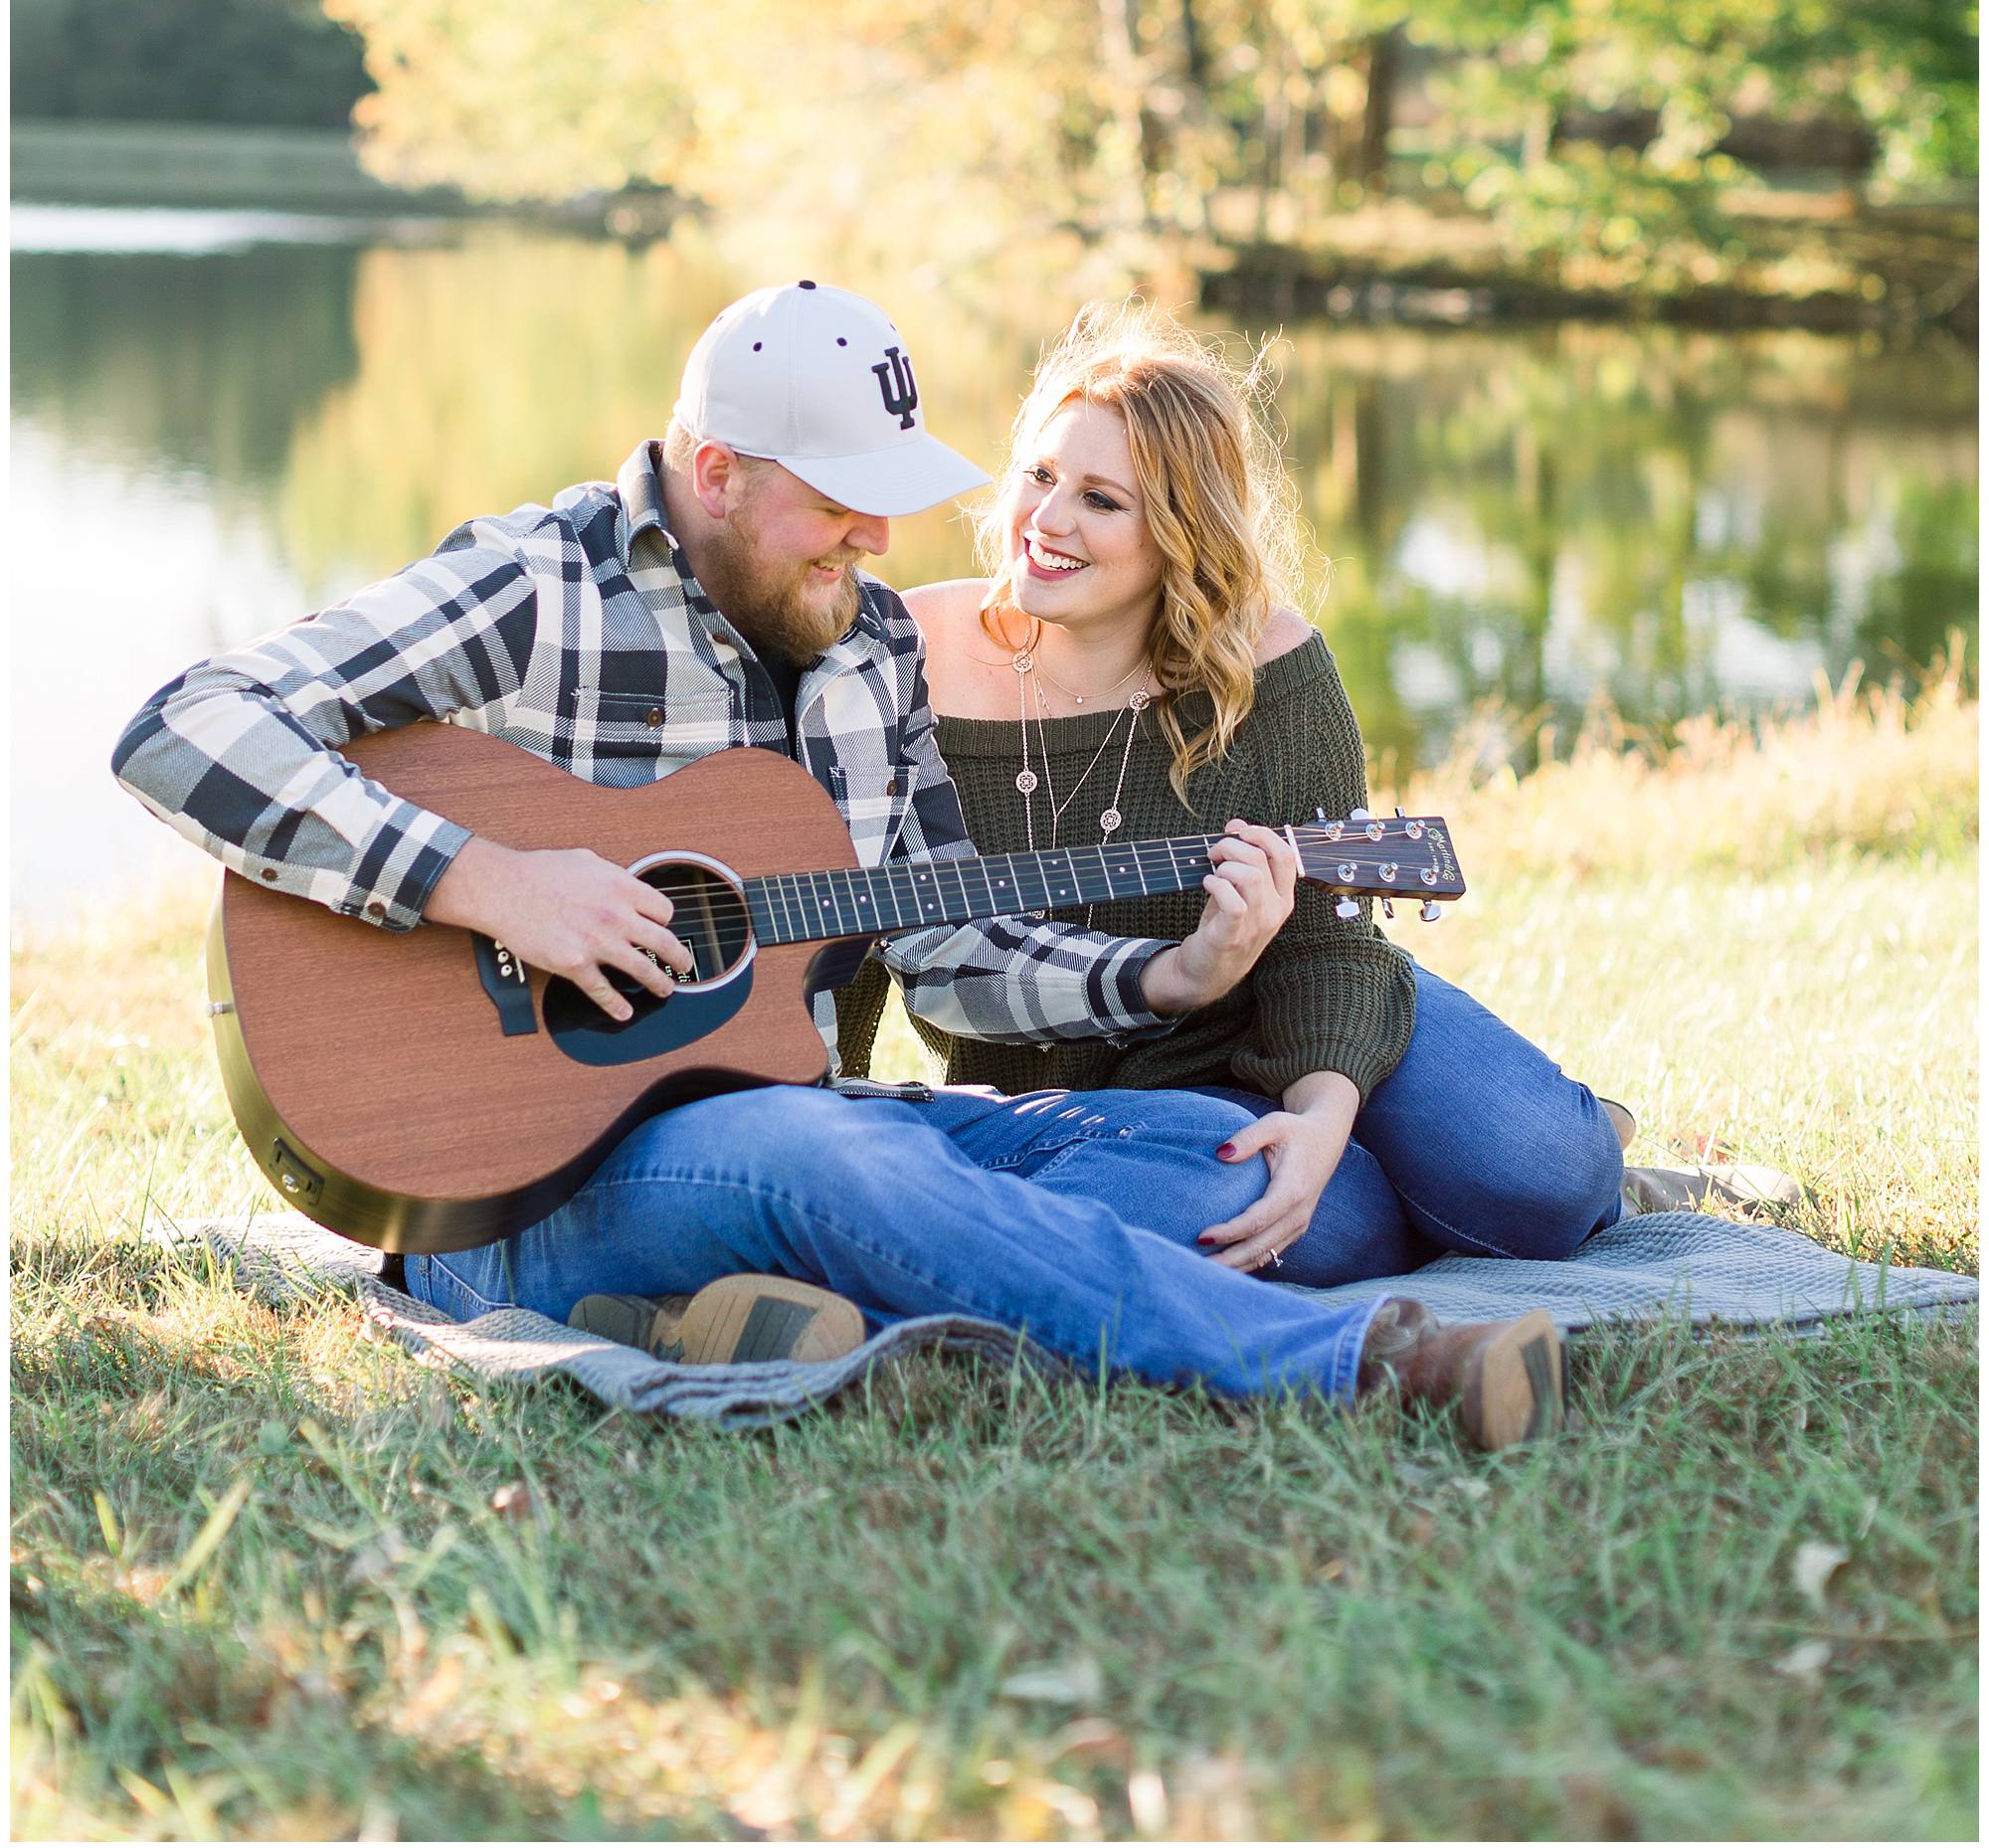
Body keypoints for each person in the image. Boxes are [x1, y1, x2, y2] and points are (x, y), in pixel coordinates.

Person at [112, 279, 1568, 1447]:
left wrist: (1170, 970)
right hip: (511, 1183)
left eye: (888, 496)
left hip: (807, 1114)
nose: (881, 538)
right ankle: (1357, 1366)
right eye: (838, 500)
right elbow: (186, 725)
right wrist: (494, 881)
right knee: (829, 1156)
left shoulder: (862, 643)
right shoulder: (540, 585)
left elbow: (954, 948)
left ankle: (743, 1305)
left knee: (1228, 1171)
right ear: (717, 468)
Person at [832, 302, 1629, 1289]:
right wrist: (819, 1099)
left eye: (1099, 499)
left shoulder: (1271, 667)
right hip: (1083, 1089)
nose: (1044, 521)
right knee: (1319, 1219)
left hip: (1292, 1010)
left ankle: (1568, 1144)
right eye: (1039, 476)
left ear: (1177, 530)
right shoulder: (904, 654)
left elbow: (1331, 929)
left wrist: (1323, 1108)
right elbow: (849, 918)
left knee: (1542, 1179)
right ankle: (1398, 1192)